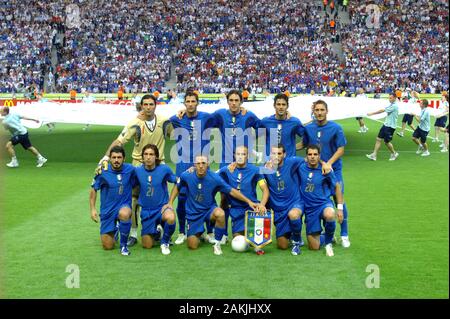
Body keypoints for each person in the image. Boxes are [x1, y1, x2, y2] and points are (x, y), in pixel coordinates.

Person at [97, 94, 173, 247]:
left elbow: (176, 134)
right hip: (138, 165)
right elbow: (120, 141)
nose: (148, 107)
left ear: (155, 105)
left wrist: (181, 114)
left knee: (160, 198)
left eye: (151, 104)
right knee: (134, 199)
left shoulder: (165, 121)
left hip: (159, 165)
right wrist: (105, 158)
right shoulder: (135, 123)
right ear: (141, 106)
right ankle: (132, 233)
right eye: (145, 104)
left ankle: (160, 229)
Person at [163, 154, 262, 255]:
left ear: (208, 164)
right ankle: (199, 233)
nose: (201, 166)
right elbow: (177, 186)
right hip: (194, 214)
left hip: (209, 211)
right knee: (192, 245)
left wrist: (249, 201)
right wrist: (170, 202)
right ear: (194, 165)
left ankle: (217, 243)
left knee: (220, 213)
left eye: (203, 163)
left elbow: (231, 191)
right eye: (198, 163)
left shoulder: (215, 178)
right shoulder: (186, 175)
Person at [169, 91, 216, 245]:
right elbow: (163, 124)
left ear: (197, 102)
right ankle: (182, 232)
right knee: (182, 199)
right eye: (187, 101)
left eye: (193, 101)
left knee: (207, 199)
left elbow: (224, 118)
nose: (190, 104)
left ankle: (209, 232)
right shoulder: (177, 119)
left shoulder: (206, 117)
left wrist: (243, 109)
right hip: (182, 166)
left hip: (202, 166)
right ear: (184, 104)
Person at [301, 100, 350, 247]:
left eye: (322, 110)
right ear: (313, 112)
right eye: (317, 110)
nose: (320, 112)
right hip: (316, 170)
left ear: (327, 111)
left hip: (333, 169)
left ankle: (344, 234)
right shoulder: (309, 128)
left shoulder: (336, 128)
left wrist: (328, 163)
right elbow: (303, 144)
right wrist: (285, 152)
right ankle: (327, 233)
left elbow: (341, 149)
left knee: (338, 196)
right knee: (319, 199)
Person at [298, 144, 344, 257]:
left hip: (323, 204)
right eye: (310, 154)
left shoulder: (326, 169)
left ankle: (328, 244)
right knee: (314, 247)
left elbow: (337, 186)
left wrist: (340, 208)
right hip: (310, 209)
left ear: (319, 156)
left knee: (330, 214)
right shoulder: (300, 167)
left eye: (315, 154)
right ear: (306, 156)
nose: (312, 157)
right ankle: (328, 236)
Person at [89, 146, 135, 256]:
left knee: (124, 213)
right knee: (108, 246)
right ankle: (116, 230)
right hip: (108, 211)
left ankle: (123, 246)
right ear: (109, 159)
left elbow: (144, 173)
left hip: (123, 206)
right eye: (113, 157)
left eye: (119, 157)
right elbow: (93, 189)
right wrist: (93, 209)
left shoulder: (130, 169)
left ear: (124, 158)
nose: (116, 160)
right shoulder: (102, 172)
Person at [262, 144, 306, 255]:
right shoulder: (265, 169)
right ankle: (291, 233)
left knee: (293, 215)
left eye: (279, 153)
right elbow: (252, 173)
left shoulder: (291, 162)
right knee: (282, 246)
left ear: (284, 154)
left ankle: (297, 240)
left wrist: (326, 164)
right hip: (279, 209)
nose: (276, 156)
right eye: (273, 153)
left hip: (294, 203)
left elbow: (310, 159)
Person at [218, 146, 269, 239]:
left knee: (255, 239)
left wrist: (262, 204)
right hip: (236, 209)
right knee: (237, 239)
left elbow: (265, 189)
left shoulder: (255, 170)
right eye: (238, 154)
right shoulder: (227, 170)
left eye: (243, 154)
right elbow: (210, 175)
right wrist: (193, 169)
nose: (240, 156)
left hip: (252, 207)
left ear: (248, 156)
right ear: (234, 155)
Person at [134, 144, 177, 255]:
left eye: (151, 154)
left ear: (156, 157)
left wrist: (170, 203)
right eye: (146, 154)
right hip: (146, 211)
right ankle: (157, 232)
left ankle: (165, 242)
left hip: (161, 208)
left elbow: (178, 182)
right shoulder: (137, 171)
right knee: (147, 245)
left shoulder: (164, 169)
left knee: (171, 217)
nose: (148, 157)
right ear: (142, 157)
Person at [260, 93, 305, 158]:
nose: (281, 107)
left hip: (288, 163)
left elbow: (308, 137)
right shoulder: (265, 121)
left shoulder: (295, 122)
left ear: (287, 106)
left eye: (283, 104)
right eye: (278, 104)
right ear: (274, 105)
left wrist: (295, 148)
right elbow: (253, 136)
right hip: (271, 163)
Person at [366, 92, 400, 161]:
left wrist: (371, 113)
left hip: (390, 127)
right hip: (386, 125)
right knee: (378, 139)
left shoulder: (394, 106)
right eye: (389, 98)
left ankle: (394, 153)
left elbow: (382, 110)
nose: (389, 99)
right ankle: (374, 155)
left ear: (394, 98)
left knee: (386, 142)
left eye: (390, 98)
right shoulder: (391, 104)